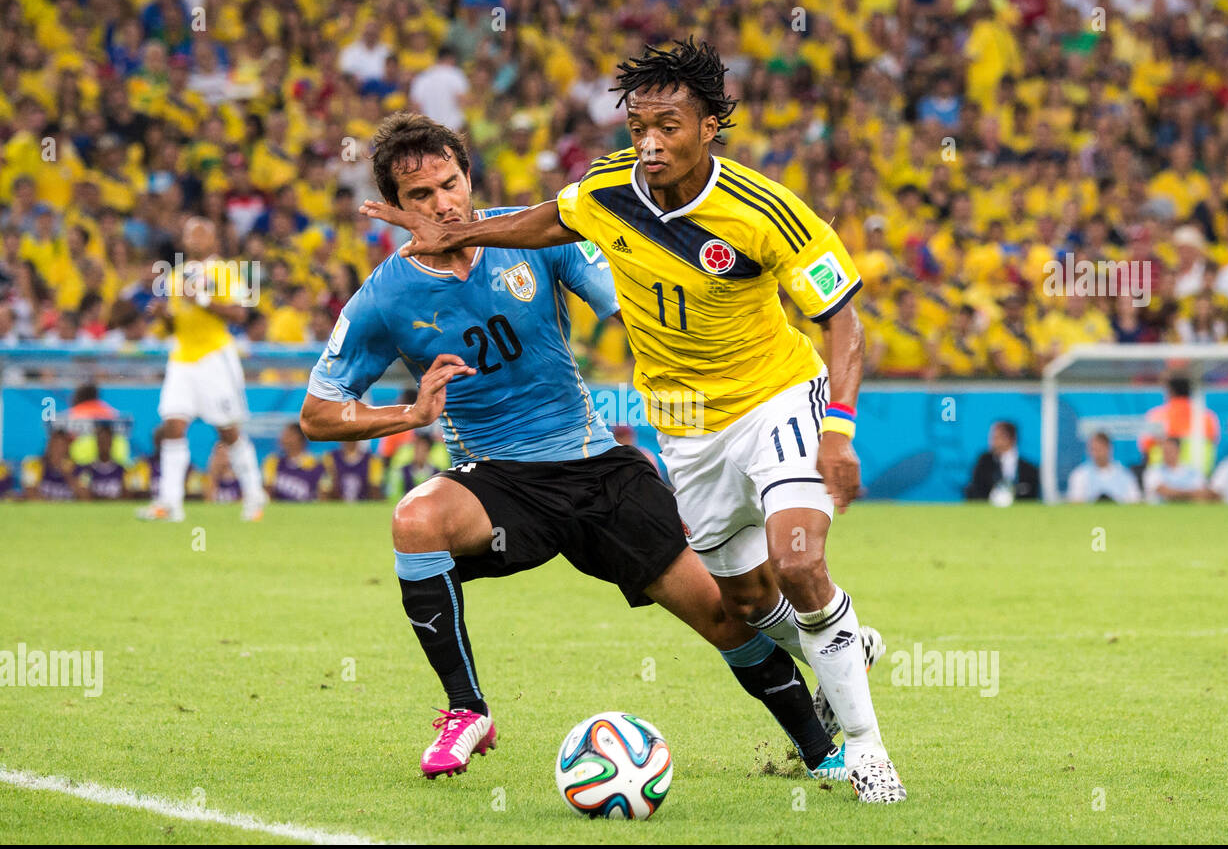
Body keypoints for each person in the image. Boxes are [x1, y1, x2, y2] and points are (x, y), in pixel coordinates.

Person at [360, 40, 903, 803]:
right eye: (639, 124)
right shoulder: (611, 184)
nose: (649, 141)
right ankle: (848, 639)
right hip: (687, 428)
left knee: (799, 557)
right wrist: (462, 235)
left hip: (776, 396)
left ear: (711, 125)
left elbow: (844, 318)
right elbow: (553, 219)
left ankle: (866, 750)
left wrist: (839, 429)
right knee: (745, 602)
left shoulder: (767, 212)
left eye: (669, 125)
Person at [136, 217, 267, 522]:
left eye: (201, 233)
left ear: (213, 240)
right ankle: (170, 503)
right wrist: (162, 316)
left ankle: (254, 494)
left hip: (214, 358)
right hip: (181, 358)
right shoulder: (175, 275)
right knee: (172, 425)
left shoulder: (225, 270)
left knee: (228, 429)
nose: (194, 238)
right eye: (190, 233)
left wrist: (203, 299)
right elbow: (175, 322)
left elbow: (239, 314)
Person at [1137, 374, 1220, 474]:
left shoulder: (1158, 416)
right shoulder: (1206, 417)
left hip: (1164, 476)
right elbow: (1213, 444)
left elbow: (1145, 448)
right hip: (1200, 474)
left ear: (1170, 391)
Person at [964, 420, 1041, 502]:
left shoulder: (1029, 469)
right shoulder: (985, 461)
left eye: (996, 437)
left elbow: (1031, 495)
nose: (992, 441)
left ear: (1011, 438)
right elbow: (977, 487)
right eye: (992, 437)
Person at [1067, 432, 1141, 504]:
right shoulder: (1080, 475)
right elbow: (1075, 502)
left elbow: (1134, 502)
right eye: (1093, 449)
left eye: (1100, 449)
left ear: (1109, 448)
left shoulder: (1125, 475)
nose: (1096, 454)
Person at [263, 422, 326, 502]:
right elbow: (268, 489)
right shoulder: (273, 461)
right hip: (280, 511)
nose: (283, 438)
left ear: (299, 437)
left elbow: (323, 493)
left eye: (288, 435)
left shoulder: (315, 463)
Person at [76, 423, 129, 500]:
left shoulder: (121, 470)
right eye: (101, 440)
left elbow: (127, 496)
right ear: (97, 443)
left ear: (111, 443)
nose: (104, 444)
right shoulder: (87, 470)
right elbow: (83, 494)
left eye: (107, 440)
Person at [1142, 436, 1203, 503]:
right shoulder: (1153, 471)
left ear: (1179, 450)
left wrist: (1176, 493)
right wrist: (1190, 494)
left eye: (1171, 450)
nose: (1167, 453)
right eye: (1165, 450)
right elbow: (1163, 491)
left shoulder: (1193, 472)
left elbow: (1203, 493)